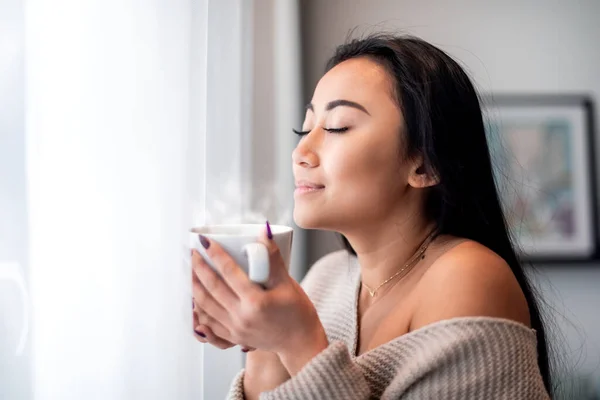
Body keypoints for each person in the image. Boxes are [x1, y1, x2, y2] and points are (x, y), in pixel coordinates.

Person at [191, 33, 552, 399]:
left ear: (424, 164)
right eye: (306, 127)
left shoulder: (467, 277)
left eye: (337, 127)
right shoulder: (324, 281)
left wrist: (298, 341)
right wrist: (262, 341)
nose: (301, 150)